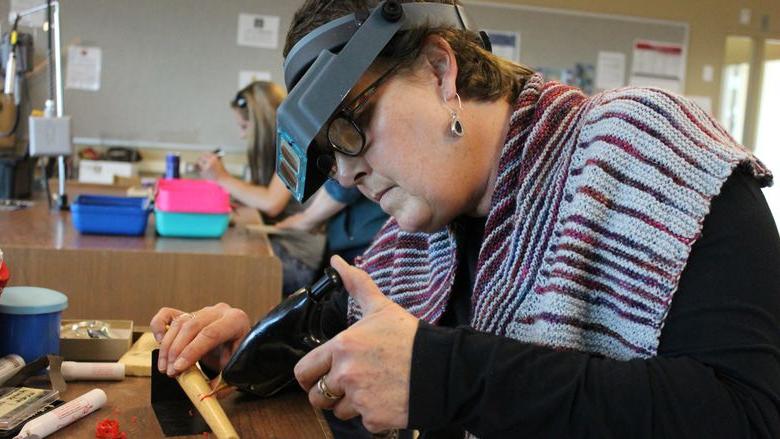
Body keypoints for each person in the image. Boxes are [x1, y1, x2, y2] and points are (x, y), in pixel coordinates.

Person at [153, 1, 780, 438]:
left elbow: (749, 416)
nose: (344, 176)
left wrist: (443, 374)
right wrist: (245, 353)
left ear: (439, 71)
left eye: (349, 129)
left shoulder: (640, 149)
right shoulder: (414, 241)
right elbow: (332, 337)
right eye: (326, 156)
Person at [198, 81, 325, 293]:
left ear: (260, 124)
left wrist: (222, 178)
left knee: (220, 269)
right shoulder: (282, 150)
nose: (242, 135)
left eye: (244, 127)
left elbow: (271, 203)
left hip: (296, 260)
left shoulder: (297, 146)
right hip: (281, 247)